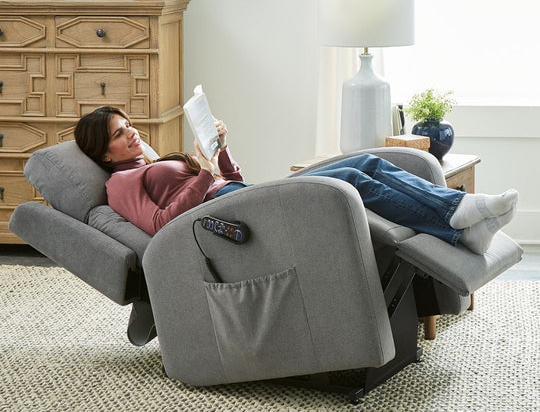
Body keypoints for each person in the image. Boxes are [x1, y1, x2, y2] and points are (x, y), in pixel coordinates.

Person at [74, 106, 518, 255]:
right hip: (236, 216)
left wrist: (220, 151)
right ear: (103, 152)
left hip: (243, 195)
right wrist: (204, 171)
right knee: (352, 177)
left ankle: (461, 224)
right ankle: (461, 217)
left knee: (365, 163)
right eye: (119, 134)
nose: (131, 132)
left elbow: (232, 179)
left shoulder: (149, 162)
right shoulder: (120, 185)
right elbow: (161, 225)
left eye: (128, 124)